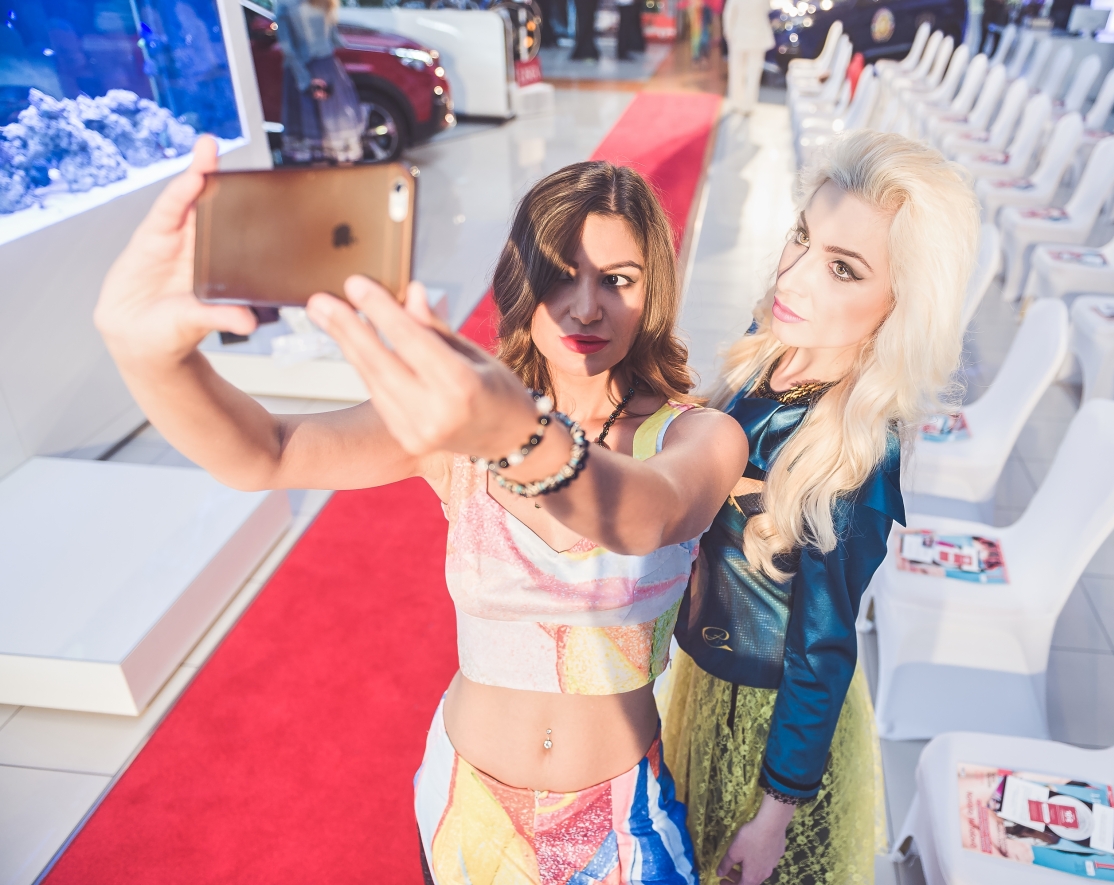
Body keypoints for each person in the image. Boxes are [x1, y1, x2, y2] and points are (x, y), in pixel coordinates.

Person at [93, 138, 751, 884]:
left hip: (622, 824)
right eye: (560, 275)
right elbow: (268, 452)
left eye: (618, 279)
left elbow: (650, 514)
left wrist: (513, 433)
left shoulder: (698, 435)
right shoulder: (461, 430)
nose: (586, 305)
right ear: (521, 281)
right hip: (466, 813)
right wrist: (149, 356)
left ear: (653, 289)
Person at [662, 131, 979, 884]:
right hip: (707, 681)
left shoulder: (856, 453)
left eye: (843, 269)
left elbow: (823, 647)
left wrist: (774, 814)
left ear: (899, 306)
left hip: (774, 733)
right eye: (802, 236)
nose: (794, 277)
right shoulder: (771, 344)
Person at [273, 0, 364, 164]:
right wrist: (304, 79)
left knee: (330, 134)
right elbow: (288, 48)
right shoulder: (286, 4)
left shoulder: (318, 2)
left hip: (323, 68)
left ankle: (334, 165)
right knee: (318, 137)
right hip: (308, 69)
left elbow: (332, 36)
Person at [721, 0, 774, 115]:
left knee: (737, 71)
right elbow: (767, 9)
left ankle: (737, 101)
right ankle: (748, 104)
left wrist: (729, 34)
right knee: (753, 72)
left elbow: (729, 15)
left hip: (739, 36)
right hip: (757, 36)